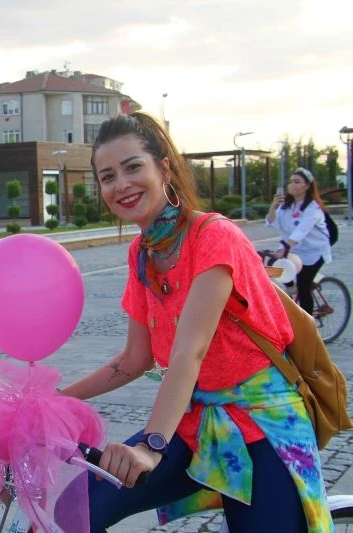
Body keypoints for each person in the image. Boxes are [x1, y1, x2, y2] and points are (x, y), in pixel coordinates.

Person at [57, 113, 330, 532]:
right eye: (108, 176)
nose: (121, 185)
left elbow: (189, 352)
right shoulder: (142, 254)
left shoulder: (213, 235)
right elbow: (135, 359)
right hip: (196, 420)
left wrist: (151, 445)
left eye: (133, 167)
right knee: (76, 509)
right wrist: (58, 401)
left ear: (163, 167)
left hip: (263, 425)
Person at [265, 167, 332, 315]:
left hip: (313, 252)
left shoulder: (313, 208)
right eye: (290, 182)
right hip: (294, 252)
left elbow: (300, 231)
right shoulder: (285, 206)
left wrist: (284, 250)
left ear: (307, 186)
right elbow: (272, 222)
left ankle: (308, 329)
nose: (292, 185)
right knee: (271, 270)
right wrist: (273, 206)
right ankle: (290, 286)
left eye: (297, 181)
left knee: (303, 285)